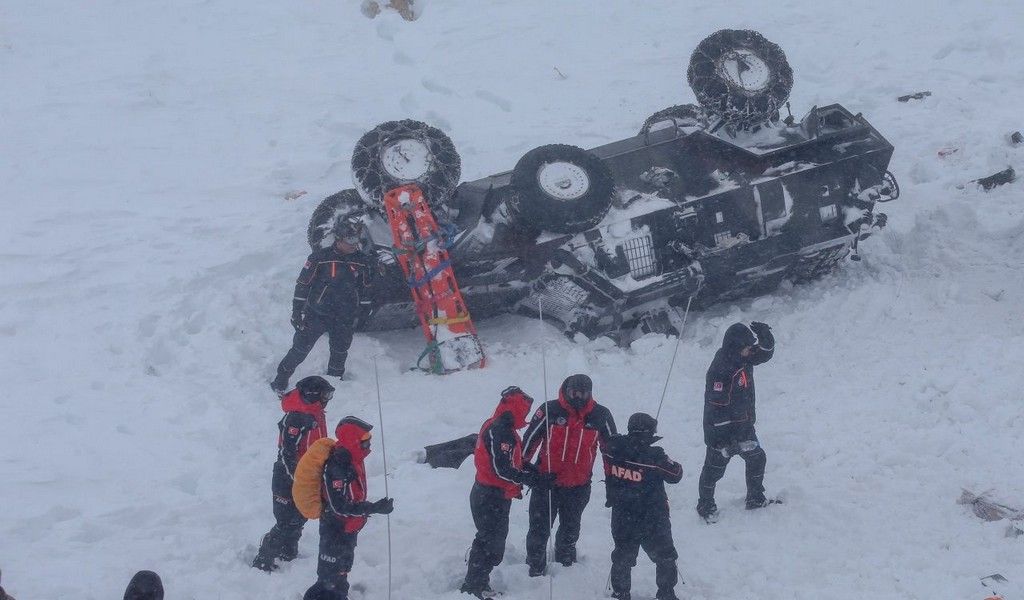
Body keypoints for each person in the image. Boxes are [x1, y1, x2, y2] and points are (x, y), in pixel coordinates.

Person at [461, 386, 554, 599]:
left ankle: (479, 581)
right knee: (489, 542)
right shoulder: (499, 429)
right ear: (515, 408)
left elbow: (514, 461)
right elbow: (501, 468)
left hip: (498, 496)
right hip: (488, 495)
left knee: (494, 542)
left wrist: (535, 472)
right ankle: (473, 585)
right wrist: (530, 479)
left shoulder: (506, 428)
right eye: (524, 410)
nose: (526, 415)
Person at [521, 374, 616, 576]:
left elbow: (611, 453)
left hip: (578, 485)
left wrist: (613, 484)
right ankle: (534, 564)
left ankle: (565, 561)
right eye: (574, 393)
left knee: (571, 528)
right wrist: (522, 472)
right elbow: (529, 442)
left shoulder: (601, 415)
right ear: (566, 390)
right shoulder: (550, 409)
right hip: (546, 482)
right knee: (539, 528)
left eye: (583, 393)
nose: (578, 397)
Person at [271, 218, 377, 394]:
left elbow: (366, 288)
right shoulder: (319, 258)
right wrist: (297, 312)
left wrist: (364, 310)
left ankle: (334, 384)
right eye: (349, 241)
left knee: (340, 351)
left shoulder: (361, 261)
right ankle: (280, 380)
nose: (353, 245)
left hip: (345, 317)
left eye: (356, 241)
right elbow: (303, 284)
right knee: (299, 349)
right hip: (317, 314)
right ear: (338, 239)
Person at [303, 416, 394, 600]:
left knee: (339, 574)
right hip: (335, 528)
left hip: (348, 528)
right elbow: (339, 506)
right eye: (364, 441)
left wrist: (369, 509)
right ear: (352, 440)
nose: (368, 444)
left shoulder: (353, 458)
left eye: (369, 440)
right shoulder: (338, 465)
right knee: (331, 579)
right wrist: (372, 508)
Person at [253, 376, 335, 571]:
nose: (327, 399)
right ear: (313, 395)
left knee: (299, 516)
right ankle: (264, 557)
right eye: (325, 395)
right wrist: (297, 477)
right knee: (285, 520)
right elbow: (286, 452)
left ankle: (288, 552)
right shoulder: (296, 418)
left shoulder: (315, 414)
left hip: (307, 474)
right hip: (287, 476)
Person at [696, 321, 775, 522]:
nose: (751, 351)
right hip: (721, 434)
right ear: (736, 347)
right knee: (714, 471)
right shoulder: (721, 371)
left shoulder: (742, 358)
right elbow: (717, 410)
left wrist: (765, 335)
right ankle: (705, 506)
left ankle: (755, 498)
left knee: (757, 459)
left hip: (744, 426)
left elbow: (764, 354)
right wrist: (726, 442)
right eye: (748, 348)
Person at [603, 413, 683, 600]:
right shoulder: (654, 456)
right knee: (665, 556)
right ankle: (666, 594)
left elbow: (614, 446)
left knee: (623, 556)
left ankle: (621, 593)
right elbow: (676, 474)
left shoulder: (613, 447)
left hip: (622, 515)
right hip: (652, 518)